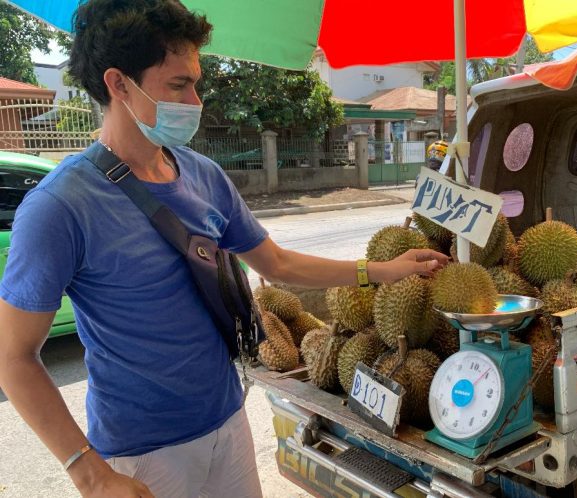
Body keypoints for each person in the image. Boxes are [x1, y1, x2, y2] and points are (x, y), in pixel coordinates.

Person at [0, 1, 449, 498]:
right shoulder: (60, 206)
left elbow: (276, 263)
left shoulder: (203, 176)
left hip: (227, 424)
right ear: (118, 83)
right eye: (177, 85)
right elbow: (14, 357)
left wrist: (380, 271)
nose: (194, 101)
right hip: (141, 455)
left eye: (196, 83)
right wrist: (91, 473)